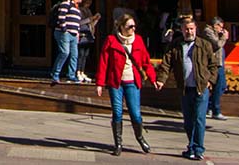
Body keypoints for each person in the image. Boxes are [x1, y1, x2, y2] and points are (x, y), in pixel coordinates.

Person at [156, 15, 219, 161]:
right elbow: (166, 63)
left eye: (191, 29)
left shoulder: (204, 45)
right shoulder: (176, 45)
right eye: (186, 29)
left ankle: (198, 149)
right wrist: (161, 80)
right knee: (188, 121)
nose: (189, 32)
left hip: (200, 87)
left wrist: (210, 81)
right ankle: (191, 147)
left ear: (196, 29)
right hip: (185, 88)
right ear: (182, 30)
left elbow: (214, 65)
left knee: (199, 118)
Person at [96, 13, 155, 156]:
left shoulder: (139, 41)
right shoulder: (111, 40)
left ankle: (140, 138)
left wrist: (153, 79)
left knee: (135, 113)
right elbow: (103, 63)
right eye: (130, 26)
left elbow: (146, 61)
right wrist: (99, 83)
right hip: (116, 82)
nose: (133, 29)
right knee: (117, 113)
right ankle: (118, 144)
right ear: (121, 27)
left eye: (134, 26)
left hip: (132, 82)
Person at [50, 0, 84, 84]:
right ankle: (55, 74)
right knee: (65, 52)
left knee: (74, 55)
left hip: (73, 35)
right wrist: (64, 29)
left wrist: (77, 33)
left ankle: (71, 75)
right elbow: (61, 16)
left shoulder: (77, 8)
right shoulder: (66, 3)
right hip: (64, 33)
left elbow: (77, 22)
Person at [202, 16, 229, 120]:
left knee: (222, 86)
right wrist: (224, 37)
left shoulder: (216, 32)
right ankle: (215, 110)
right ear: (215, 25)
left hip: (220, 62)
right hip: (214, 63)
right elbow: (217, 44)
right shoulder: (208, 31)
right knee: (218, 85)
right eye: (220, 27)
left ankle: (209, 106)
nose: (221, 29)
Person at [77, 0, 101, 83]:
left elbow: (91, 24)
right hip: (81, 33)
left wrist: (96, 20)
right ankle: (78, 71)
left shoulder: (88, 11)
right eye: (87, 3)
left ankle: (82, 71)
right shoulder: (79, 10)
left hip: (88, 34)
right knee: (80, 53)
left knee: (85, 54)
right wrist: (90, 19)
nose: (88, 5)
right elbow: (80, 22)